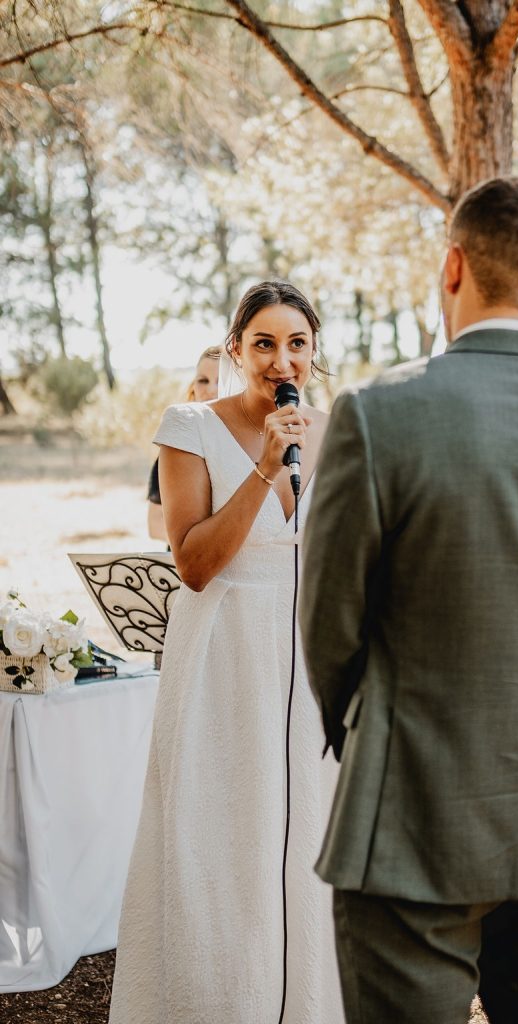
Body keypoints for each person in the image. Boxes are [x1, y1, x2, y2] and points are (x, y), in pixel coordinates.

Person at [300, 177, 518, 1024]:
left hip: (413, 811)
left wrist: (371, 736)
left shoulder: (378, 413)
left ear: (449, 266)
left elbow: (328, 626)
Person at [109, 282, 343, 1024]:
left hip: (305, 660)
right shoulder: (188, 426)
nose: (282, 359)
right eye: (265, 343)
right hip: (221, 655)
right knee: (217, 835)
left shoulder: (331, 430)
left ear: (313, 351)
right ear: (236, 349)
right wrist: (268, 466)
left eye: (297, 343)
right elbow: (196, 563)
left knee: (304, 832)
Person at [147, 345, 221, 545]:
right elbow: (155, 525)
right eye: (203, 381)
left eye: (220, 381)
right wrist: (197, 546)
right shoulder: (174, 451)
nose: (211, 390)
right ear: (193, 389)